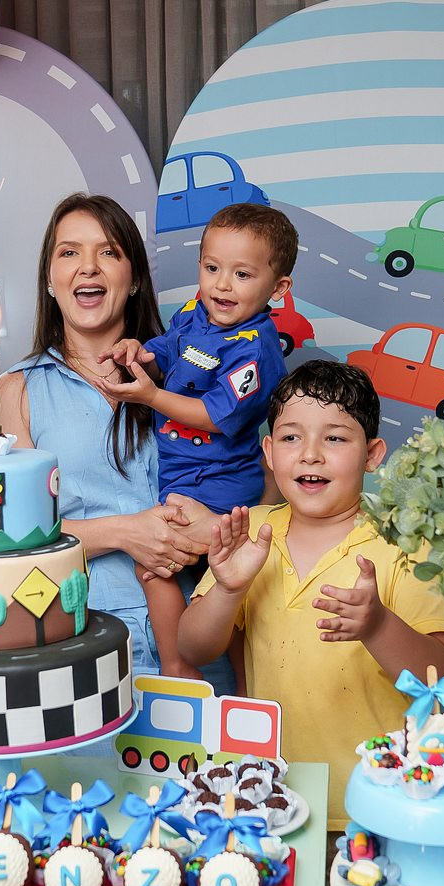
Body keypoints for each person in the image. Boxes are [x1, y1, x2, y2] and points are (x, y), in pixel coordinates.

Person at [178, 360, 444, 828]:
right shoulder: (253, 531)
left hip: (379, 806)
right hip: (273, 802)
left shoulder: (405, 544)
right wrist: (228, 589)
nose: (310, 454)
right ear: (269, 452)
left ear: (372, 455)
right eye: (291, 437)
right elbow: (192, 648)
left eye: (334, 438)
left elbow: (442, 680)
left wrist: (378, 625)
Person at [0, 193, 218, 680]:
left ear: (134, 277)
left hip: (206, 640)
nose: (88, 267)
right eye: (69, 252)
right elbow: (14, 539)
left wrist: (218, 527)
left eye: (109, 252)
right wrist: (125, 532)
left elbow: (260, 490)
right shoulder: (17, 390)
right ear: (50, 279)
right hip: (88, 648)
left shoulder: (196, 378)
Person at [96, 203, 297, 679]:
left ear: (278, 288)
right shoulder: (196, 313)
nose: (222, 285)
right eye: (211, 269)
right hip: (183, 473)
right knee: (220, 589)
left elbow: (212, 416)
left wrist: (151, 395)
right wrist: (139, 352)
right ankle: (231, 679)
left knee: (157, 565)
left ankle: (180, 667)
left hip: (218, 482)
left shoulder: (256, 349)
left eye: (242, 274)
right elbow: (169, 348)